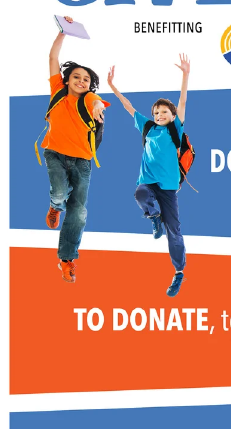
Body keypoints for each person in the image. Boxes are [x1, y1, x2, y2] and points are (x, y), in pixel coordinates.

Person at [106, 55, 191, 297]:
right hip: (148, 182)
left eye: (164, 111)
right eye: (156, 112)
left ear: (172, 115)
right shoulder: (147, 127)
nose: (159, 114)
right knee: (140, 193)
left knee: (174, 230)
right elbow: (128, 106)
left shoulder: (175, 129)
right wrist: (113, 86)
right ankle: (154, 217)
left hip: (168, 188)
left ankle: (178, 272)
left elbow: (182, 102)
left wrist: (185, 75)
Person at [41, 30, 107, 282]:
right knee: (59, 193)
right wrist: (62, 32)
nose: (81, 81)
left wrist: (98, 106)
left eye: (86, 79)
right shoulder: (57, 90)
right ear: (66, 80)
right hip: (55, 154)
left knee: (78, 212)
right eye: (76, 77)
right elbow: (52, 56)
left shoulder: (90, 98)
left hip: (82, 162)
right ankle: (55, 206)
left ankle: (66, 259)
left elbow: (95, 102)